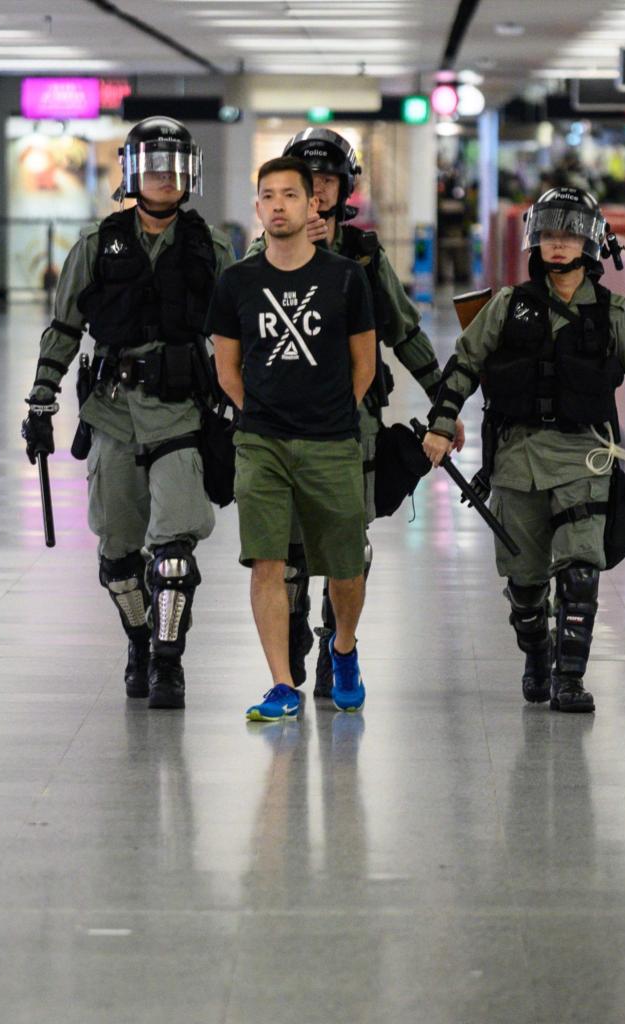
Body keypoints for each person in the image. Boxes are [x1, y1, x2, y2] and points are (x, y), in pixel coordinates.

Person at [421, 187, 625, 714]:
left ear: (589, 243)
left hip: (584, 458)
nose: (557, 244)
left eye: (568, 234)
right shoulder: (506, 306)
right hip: (516, 461)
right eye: (548, 234)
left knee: (580, 571)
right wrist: (441, 423)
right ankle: (537, 653)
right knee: (525, 586)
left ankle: (570, 677)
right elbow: (465, 364)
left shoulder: (613, 314)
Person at [20, 116, 234, 710]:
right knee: (118, 555)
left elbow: (238, 333)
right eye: (154, 165)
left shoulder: (213, 248)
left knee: (173, 555)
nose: (165, 176)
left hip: (182, 414)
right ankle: (138, 642)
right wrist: (41, 399)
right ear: (134, 173)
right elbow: (64, 327)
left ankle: (168, 662)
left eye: (175, 166)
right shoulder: (97, 244)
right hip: (112, 414)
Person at [246, 127, 463, 699]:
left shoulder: (363, 255)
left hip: (350, 421)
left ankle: (339, 647)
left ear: (344, 189)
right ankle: (291, 643)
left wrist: (443, 403)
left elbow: (404, 331)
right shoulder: (261, 251)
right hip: (280, 419)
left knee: (347, 545)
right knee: (289, 547)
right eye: (306, 181)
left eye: (327, 181)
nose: (317, 192)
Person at [208, 156, 377, 721]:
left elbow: (365, 363)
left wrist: (332, 412)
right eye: (268, 196)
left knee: (346, 566)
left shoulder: (345, 277)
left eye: (289, 195)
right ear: (257, 207)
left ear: (312, 205)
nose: (278, 205)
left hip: (332, 441)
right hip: (261, 442)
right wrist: (261, 414)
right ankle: (282, 683)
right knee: (268, 562)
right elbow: (227, 369)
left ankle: (343, 648)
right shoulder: (236, 281)